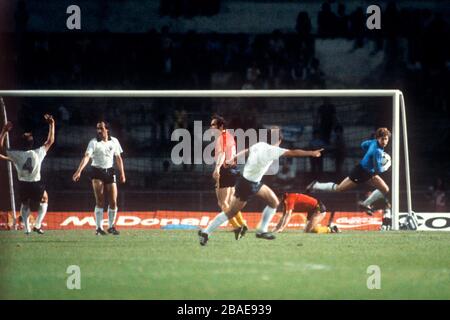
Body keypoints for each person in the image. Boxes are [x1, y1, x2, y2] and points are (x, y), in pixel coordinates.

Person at [198, 127, 323, 246]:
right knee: (242, 209)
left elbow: (247, 151)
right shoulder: (274, 150)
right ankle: (261, 230)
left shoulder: (259, 145)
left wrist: (234, 158)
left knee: (269, 202)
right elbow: (294, 152)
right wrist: (312, 153)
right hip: (250, 184)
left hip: (246, 181)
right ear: (279, 140)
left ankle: (206, 232)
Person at [306, 128, 391, 215]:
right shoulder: (378, 151)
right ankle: (316, 185)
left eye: (386, 139)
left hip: (368, 173)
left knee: (385, 189)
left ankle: (366, 204)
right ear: (377, 138)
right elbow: (378, 169)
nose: (384, 141)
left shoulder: (373, 142)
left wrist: (369, 155)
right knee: (339, 188)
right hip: (360, 173)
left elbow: (363, 145)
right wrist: (386, 166)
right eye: (382, 139)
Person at [0, 114, 55, 235]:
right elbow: (50, 141)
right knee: (44, 198)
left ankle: (27, 229)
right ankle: (38, 225)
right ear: (32, 142)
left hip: (23, 184)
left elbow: (1, 147)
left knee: (25, 204)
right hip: (36, 183)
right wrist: (52, 124)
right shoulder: (38, 153)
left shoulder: (16, 155)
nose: (29, 134)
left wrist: (4, 131)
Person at [72, 121, 126, 236]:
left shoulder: (114, 141)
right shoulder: (93, 142)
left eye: (101, 128)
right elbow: (87, 157)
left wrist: (122, 173)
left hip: (110, 171)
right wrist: (79, 171)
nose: (99, 131)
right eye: (97, 128)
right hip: (97, 172)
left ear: (107, 129)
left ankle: (111, 227)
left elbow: (118, 158)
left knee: (113, 202)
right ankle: (99, 228)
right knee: (100, 201)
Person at [210, 115, 248, 240]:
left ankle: (237, 227)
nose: (211, 127)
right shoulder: (229, 136)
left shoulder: (222, 137)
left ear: (220, 126)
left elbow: (222, 154)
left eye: (213, 125)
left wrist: (217, 168)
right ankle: (242, 224)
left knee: (223, 202)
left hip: (225, 170)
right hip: (232, 169)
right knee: (230, 202)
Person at [272, 193, 339, 234]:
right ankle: (322, 227)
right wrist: (276, 228)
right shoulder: (285, 201)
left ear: (279, 197)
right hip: (311, 211)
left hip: (318, 209)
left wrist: (281, 228)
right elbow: (283, 216)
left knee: (309, 230)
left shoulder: (289, 199)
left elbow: (288, 215)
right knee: (307, 230)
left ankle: (331, 229)